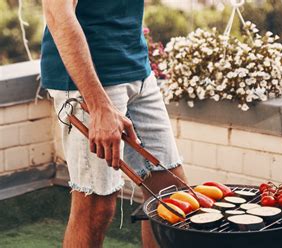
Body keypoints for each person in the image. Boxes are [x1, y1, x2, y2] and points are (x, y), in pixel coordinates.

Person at [41, 0, 186, 247]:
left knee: (168, 193)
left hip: (136, 69)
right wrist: (98, 105)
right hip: (89, 84)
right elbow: (57, 15)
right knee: (96, 207)